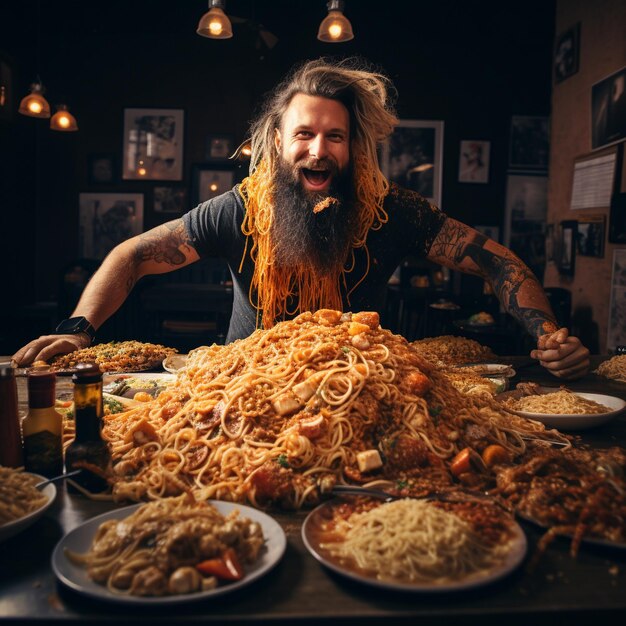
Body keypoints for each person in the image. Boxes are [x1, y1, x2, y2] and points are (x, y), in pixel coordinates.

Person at [13, 58, 590, 379]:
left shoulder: (392, 210)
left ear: (353, 146)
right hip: (244, 390)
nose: (319, 150)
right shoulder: (238, 209)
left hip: (359, 391)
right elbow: (132, 255)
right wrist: (78, 328)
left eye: (334, 137)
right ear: (277, 140)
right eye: (305, 135)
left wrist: (546, 336)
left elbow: (497, 262)